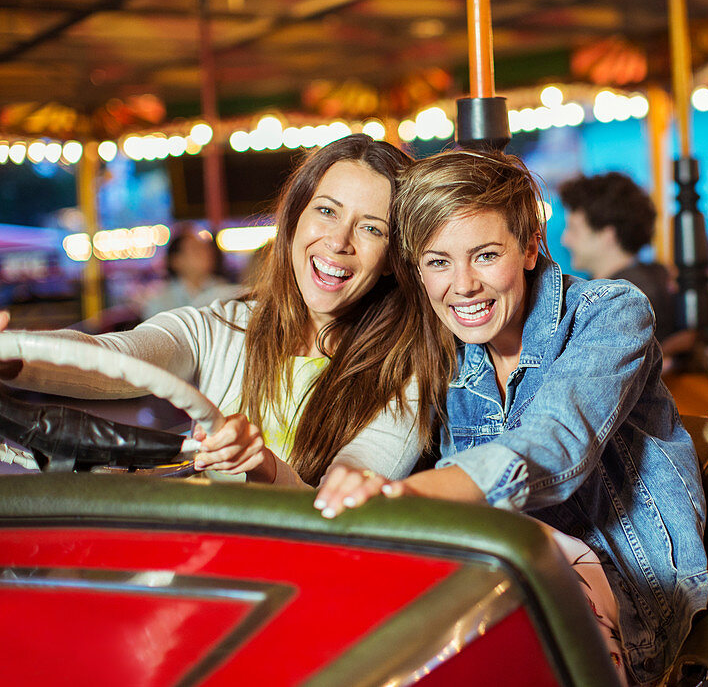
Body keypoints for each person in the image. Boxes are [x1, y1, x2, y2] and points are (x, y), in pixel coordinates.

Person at [317, 150, 708, 686]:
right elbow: (389, 431)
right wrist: (353, 479)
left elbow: (553, 444)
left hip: (627, 587)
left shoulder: (611, 310)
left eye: (484, 255)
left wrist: (409, 498)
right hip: (496, 573)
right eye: (438, 262)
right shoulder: (441, 344)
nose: (464, 285)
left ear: (528, 248)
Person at [0, 135, 446, 487]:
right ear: (293, 221)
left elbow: (347, 489)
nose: (338, 241)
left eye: (371, 228)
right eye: (327, 211)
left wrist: (265, 467)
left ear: (393, 258)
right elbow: (114, 356)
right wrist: (14, 353)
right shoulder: (221, 325)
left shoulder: (407, 371)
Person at [559, 171, 676, 341]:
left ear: (608, 235)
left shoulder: (624, 302)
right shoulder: (649, 282)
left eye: (574, 230)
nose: (565, 240)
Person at [140, 225, 244, 319]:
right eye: (195, 249)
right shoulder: (159, 303)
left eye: (205, 248)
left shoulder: (227, 292)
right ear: (176, 261)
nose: (205, 254)